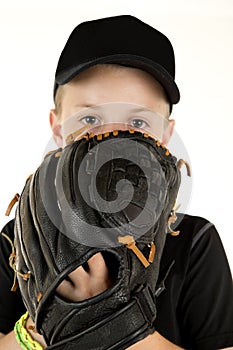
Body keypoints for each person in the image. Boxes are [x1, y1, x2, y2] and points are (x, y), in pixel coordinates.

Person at [0, 15, 233, 350]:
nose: (112, 140)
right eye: (90, 119)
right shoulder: (20, 239)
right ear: (57, 128)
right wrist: (40, 327)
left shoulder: (194, 242)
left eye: (137, 121)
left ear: (165, 135)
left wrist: (115, 320)